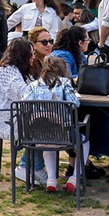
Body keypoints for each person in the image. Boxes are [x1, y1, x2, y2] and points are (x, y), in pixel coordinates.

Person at [0, 38, 37, 183]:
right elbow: (24, 95)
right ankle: (27, 167)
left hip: (11, 113)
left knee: (41, 125)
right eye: (31, 54)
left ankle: (35, 167)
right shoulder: (8, 72)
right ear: (23, 56)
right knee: (39, 128)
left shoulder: (19, 70)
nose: (34, 57)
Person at [22, 56, 83, 193]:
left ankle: (51, 179)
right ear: (63, 70)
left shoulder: (33, 85)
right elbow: (75, 104)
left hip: (38, 134)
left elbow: (24, 104)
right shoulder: (64, 83)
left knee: (49, 142)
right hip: (62, 132)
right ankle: (74, 177)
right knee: (84, 141)